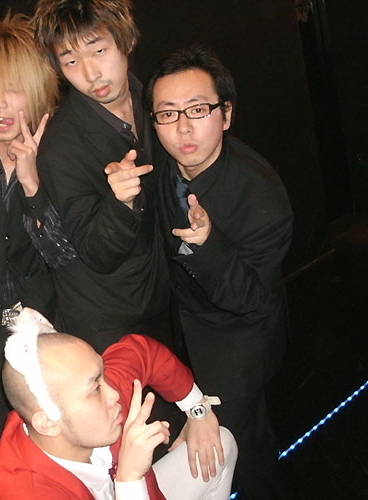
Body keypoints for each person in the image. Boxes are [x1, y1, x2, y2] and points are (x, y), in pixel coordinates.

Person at [146, 46, 294, 499]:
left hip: (236, 345)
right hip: (183, 330)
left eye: (197, 110)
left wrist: (209, 245)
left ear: (226, 114)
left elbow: (250, 299)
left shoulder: (261, 195)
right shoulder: (161, 163)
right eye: (167, 114)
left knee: (242, 455)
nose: (182, 128)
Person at [0, 12, 76, 449]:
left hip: (41, 334)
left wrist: (31, 186)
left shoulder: (60, 154)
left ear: (38, 91)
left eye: (12, 89)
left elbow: (63, 256)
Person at [32, 0, 170, 354]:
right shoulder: (61, 146)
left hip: (161, 296)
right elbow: (97, 252)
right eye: (71, 61)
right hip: (108, 321)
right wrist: (120, 203)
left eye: (98, 50)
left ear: (124, 41)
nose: (91, 73)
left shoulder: (152, 98)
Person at [0, 308, 237, 499]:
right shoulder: (21, 491)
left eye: (102, 375)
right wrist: (129, 478)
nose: (114, 393)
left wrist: (197, 409)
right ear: (48, 423)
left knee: (219, 443)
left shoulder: (86, 399)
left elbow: (141, 352)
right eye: (95, 389)